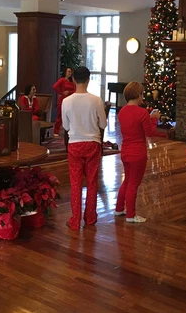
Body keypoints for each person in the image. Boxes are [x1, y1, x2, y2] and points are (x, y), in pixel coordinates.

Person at [61, 67, 107, 230]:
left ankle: (75, 220)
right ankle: (90, 218)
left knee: (76, 183)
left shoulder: (66, 101)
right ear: (88, 79)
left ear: (73, 80)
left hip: (74, 144)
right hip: (93, 143)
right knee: (92, 182)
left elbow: (66, 126)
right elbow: (103, 124)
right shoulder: (96, 100)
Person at [114, 81, 160, 224]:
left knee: (127, 181)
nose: (142, 97)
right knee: (133, 184)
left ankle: (119, 208)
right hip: (138, 152)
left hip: (125, 150)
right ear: (138, 95)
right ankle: (131, 215)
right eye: (142, 94)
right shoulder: (142, 112)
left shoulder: (122, 111)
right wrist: (154, 120)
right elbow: (149, 133)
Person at [52, 67, 76, 138]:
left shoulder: (72, 81)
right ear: (65, 72)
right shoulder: (62, 80)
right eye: (68, 71)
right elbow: (54, 87)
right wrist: (61, 93)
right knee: (60, 116)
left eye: (70, 72)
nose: (70, 73)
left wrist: (69, 92)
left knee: (70, 116)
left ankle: (69, 131)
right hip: (62, 100)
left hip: (70, 100)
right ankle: (56, 132)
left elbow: (75, 90)